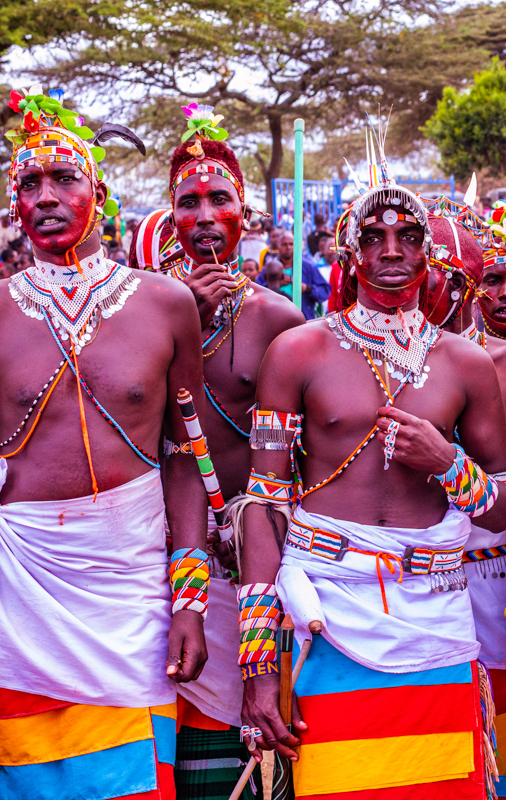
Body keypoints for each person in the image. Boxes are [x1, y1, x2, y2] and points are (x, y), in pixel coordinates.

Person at [236, 144, 506, 797]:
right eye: (374, 236)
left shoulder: (465, 363)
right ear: (350, 253)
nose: (392, 248)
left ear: (428, 254)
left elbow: (505, 507)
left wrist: (452, 467)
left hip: (437, 617)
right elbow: (263, 507)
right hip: (329, 610)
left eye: (408, 236)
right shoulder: (299, 352)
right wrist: (256, 670)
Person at [0, 88, 209, 799]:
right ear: (13, 203)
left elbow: (186, 459)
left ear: (101, 190)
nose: (47, 196)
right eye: (29, 182)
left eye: (64, 178)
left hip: (132, 585)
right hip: (22, 587)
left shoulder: (164, 304)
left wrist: (189, 599)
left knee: (136, 783)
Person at [163, 106, 307, 799]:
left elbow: (299, 458)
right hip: (176, 552)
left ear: (244, 213)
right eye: (189, 202)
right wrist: (178, 317)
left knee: (272, 735)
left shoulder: (279, 319)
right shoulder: (146, 310)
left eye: (220, 198)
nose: (206, 215)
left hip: (266, 561)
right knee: (192, 735)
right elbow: (153, 444)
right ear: (171, 219)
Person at [417, 208, 506, 799]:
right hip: (404, 580)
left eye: (448, 276)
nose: (433, 288)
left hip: (493, 575)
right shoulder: (352, 356)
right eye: (487, 280)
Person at [260, 231, 330, 319]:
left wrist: (306, 288)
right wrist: (274, 285)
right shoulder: (271, 267)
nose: (288, 247)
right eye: (284, 244)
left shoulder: (308, 267)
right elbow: (258, 292)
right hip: (274, 319)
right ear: (278, 245)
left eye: (291, 244)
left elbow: (325, 291)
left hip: (303, 319)